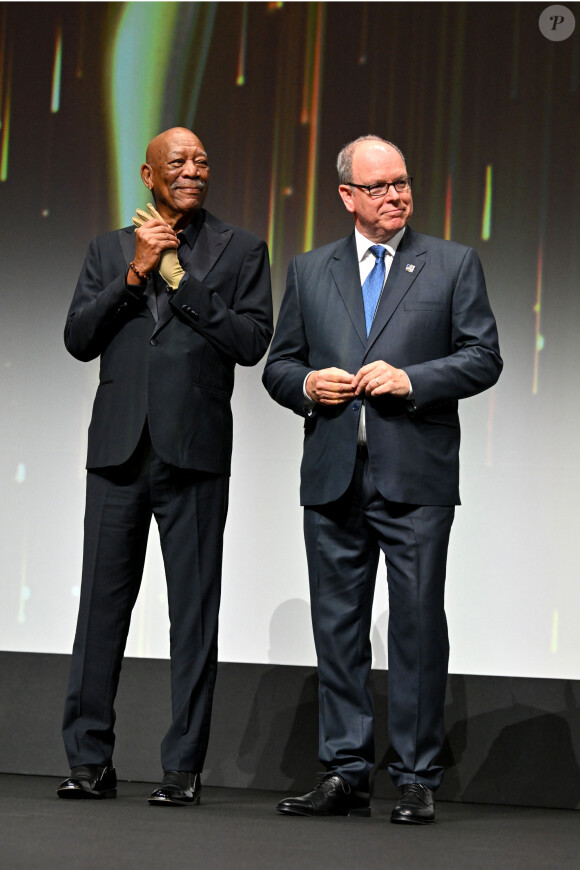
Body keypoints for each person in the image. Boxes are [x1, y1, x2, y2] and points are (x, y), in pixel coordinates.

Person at [263, 135, 502, 823]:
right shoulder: (310, 272)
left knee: (418, 626)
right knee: (338, 628)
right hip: (334, 477)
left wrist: (412, 379)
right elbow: (278, 368)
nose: (397, 194)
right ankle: (344, 772)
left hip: (416, 478)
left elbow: (483, 357)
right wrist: (308, 382)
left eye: (402, 181)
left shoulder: (452, 264)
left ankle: (418, 775)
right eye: (380, 186)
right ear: (347, 197)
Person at [57, 127, 273, 806]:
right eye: (178, 162)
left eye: (202, 161)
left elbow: (250, 342)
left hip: (195, 453)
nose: (192, 170)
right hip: (119, 452)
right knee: (99, 611)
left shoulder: (241, 250)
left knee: (194, 612)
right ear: (149, 176)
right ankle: (89, 761)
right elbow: (78, 338)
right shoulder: (108, 249)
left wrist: (180, 281)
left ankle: (182, 766)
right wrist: (134, 274)